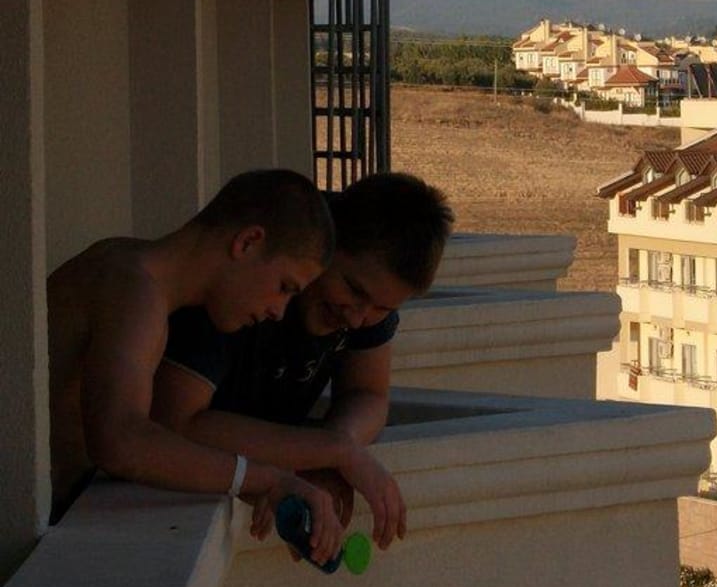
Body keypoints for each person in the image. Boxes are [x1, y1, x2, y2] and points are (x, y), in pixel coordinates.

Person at [47, 169, 345, 562]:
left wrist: (254, 480)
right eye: (285, 287)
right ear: (248, 242)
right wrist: (265, 478)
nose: (279, 310)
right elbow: (120, 440)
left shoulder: (130, 271)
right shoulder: (135, 289)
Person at [152, 172, 454, 552]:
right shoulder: (247, 285)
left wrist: (333, 450)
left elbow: (368, 393)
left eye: (382, 308)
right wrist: (330, 451)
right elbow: (174, 422)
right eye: (354, 290)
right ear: (325, 242)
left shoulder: (363, 305)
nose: (357, 318)